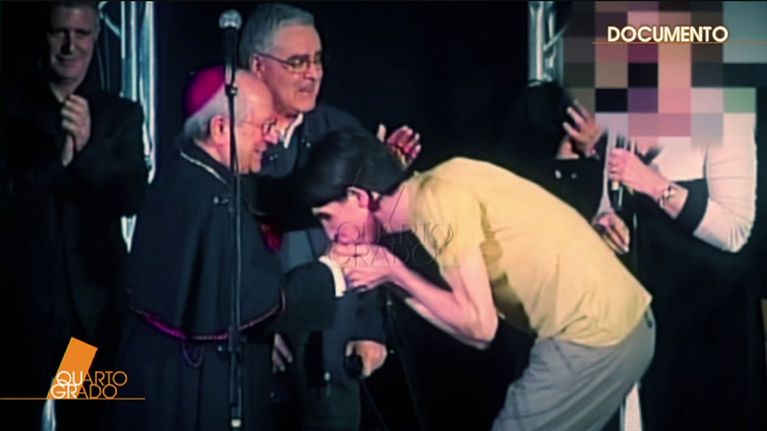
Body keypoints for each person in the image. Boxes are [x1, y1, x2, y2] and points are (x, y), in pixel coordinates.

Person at [298, 128, 656, 431]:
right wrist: (390, 276)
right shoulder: (441, 182)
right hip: (625, 324)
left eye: (327, 217)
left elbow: (480, 328)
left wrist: (394, 271)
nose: (331, 234)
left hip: (594, 333)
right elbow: (470, 326)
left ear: (359, 197)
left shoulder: (435, 201)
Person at [111, 67, 348, 431]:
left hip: (159, 370)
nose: (272, 138)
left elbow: (273, 199)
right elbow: (248, 301)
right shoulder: (212, 200)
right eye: (264, 126)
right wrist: (331, 272)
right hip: (185, 384)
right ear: (221, 129)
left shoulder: (189, 172)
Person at [239, 4, 420, 430]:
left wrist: (369, 328)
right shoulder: (231, 138)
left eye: (318, 60)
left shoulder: (340, 132)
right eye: (297, 62)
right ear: (258, 67)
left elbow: (367, 238)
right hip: (256, 359)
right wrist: (257, 322)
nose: (313, 73)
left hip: (331, 356)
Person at [0, 1, 147, 429]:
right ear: (44, 36)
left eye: (81, 34)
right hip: (20, 320)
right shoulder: (11, 112)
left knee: (85, 421)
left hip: (87, 323)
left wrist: (85, 152)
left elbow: (131, 197)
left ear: (96, 38)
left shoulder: (119, 115)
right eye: (60, 33)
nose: (70, 46)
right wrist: (59, 161)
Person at [593, 97, 758, 430]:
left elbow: (735, 231)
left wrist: (655, 186)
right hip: (645, 322)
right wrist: (606, 223)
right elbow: (606, 206)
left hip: (707, 328)